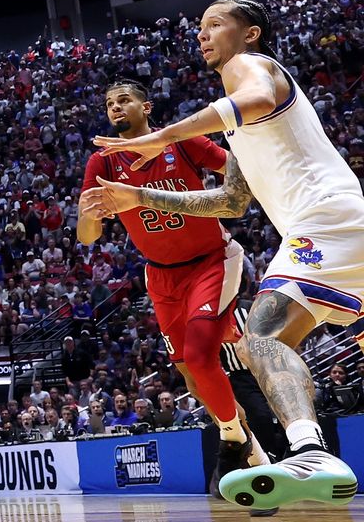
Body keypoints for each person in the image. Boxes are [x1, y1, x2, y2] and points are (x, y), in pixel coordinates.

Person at [87, 0, 363, 512]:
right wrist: (142, 196)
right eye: (199, 27)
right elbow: (232, 201)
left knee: (260, 333)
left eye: (215, 24)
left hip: (325, 219)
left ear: (250, 33)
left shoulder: (250, 67)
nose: (202, 34)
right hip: (342, 224)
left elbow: (257, 96)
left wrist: (164, 137)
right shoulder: (237, 122)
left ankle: (308, 450)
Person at [77, 79, 266, 490]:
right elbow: (87, 237)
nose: (115, 107)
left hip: (210, 260)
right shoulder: (103, 163)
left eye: (124, 100)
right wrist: (89, 211)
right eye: (109, 102)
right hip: (161, 275)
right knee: (193, 378)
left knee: (201, 356)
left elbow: (238, 166)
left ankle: (237, 440)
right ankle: (254, 455)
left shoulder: (182, 143)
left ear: (146, 108)